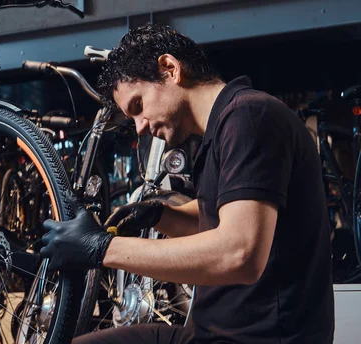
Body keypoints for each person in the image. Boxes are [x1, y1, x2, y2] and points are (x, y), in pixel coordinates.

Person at [40, 24, 335, 344]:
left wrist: (102, 248)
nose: (138, 127)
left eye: (138, 107)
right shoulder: (221, 129)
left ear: (170, 69)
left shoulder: (250, 116)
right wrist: (157, 214)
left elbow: (240, 253)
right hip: (208, 334)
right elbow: (217, 217)